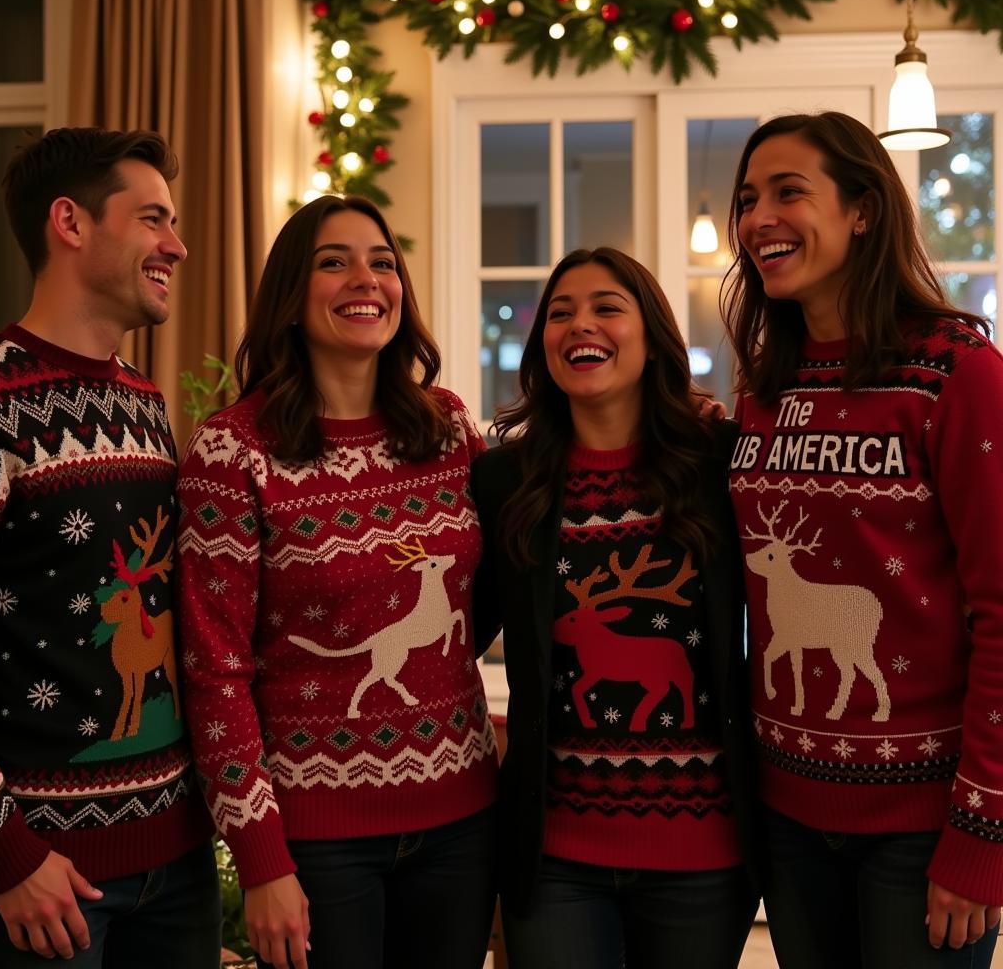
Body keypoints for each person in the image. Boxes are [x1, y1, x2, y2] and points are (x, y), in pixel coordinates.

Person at [176, 194, 499, 969]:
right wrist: (260, 858)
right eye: (335, 261)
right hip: (315, 841)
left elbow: (498, 587)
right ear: (292, 294)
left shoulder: (448, 428)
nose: (367, 278)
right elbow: (214, 668)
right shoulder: (233, 451)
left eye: (382, 262)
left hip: (462, 820)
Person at [722, 110, 1003, 968]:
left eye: (789, 191)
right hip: (789, 819)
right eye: (746, 198)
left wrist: (981, 833)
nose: (758, 217)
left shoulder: (956, 374)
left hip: (921, 831)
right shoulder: (763, 394)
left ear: (863, 210)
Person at [470, 246, 760, 969]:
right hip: (557, 857)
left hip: (705, 853)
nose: (580, 325)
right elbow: (458, 633)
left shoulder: (721, 460)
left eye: (607, 307)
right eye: (560, 312)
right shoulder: (505, 478)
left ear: (652, 337)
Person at [0, 128, 219, 967]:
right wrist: (4, 855)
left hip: (179, 873)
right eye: (154, 219)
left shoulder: (145, 405)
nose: (177, 246)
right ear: (70, 224)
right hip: (45, 886)